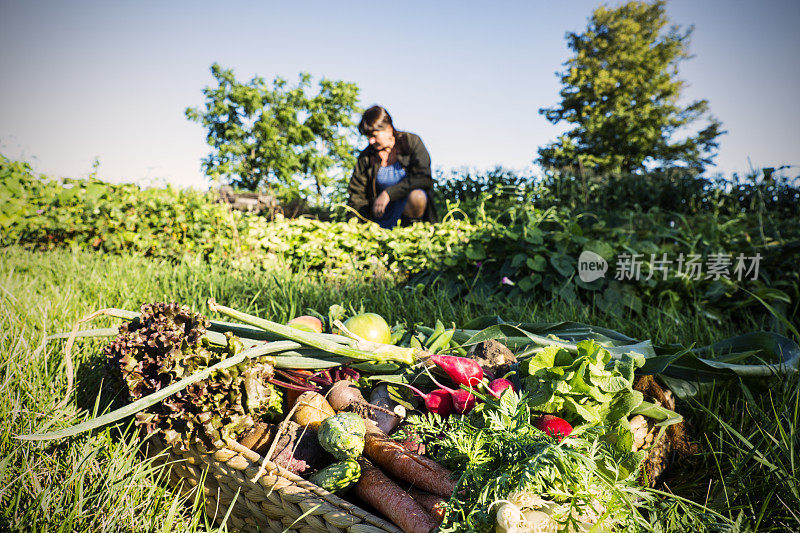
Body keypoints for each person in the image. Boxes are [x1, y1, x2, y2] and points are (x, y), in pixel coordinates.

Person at [347, 105, 438, 228]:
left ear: (388, 129)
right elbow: (357, 195)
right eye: (368, 137)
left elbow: (423, 178)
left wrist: (388, 193)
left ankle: (412, 230)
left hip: (408, 212)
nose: (370, 141)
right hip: (379, 220)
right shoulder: (366, 157)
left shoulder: (411, 142)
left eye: (374, 136)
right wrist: (354, 227)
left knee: (417, 196)